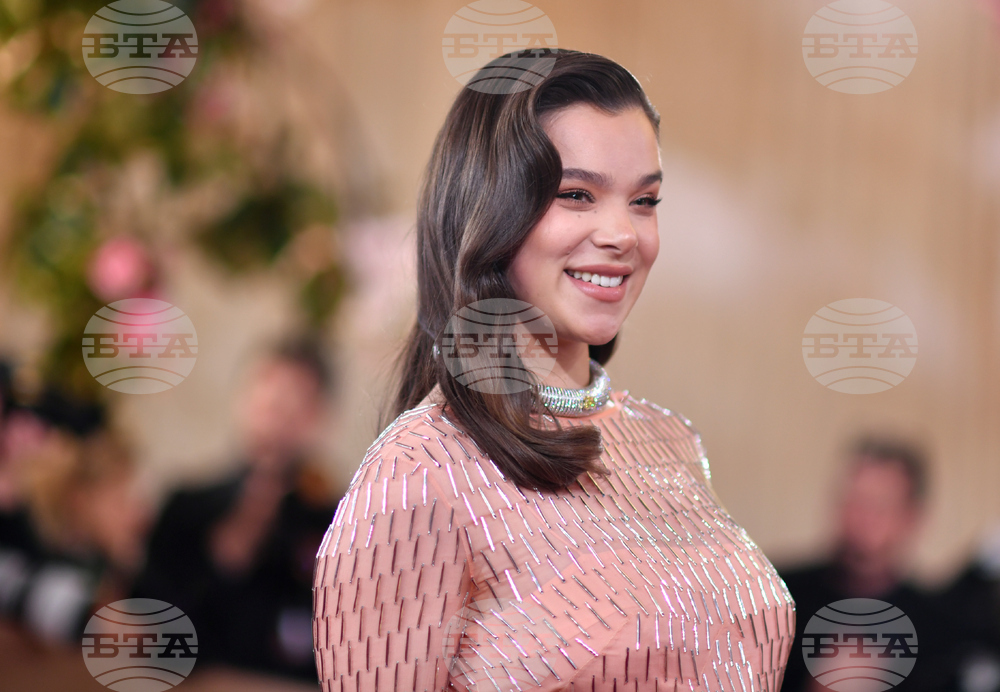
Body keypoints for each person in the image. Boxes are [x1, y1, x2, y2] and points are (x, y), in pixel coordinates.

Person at [312, 50, 795, 692]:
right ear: (488, 209)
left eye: (645, 201)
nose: (623, 233)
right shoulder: (421, 472)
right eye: (576, 195)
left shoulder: (670, 442)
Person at [133, 336, 339, 682]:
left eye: (295, 402)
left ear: (316, 417)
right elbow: (148, 636)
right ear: (242, 399)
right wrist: (225, 555)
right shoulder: (187, 508)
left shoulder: (339, 525)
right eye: (268, 396)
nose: (277, 413)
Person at [778, 437, 952, 692]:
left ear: (912, 516)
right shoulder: (779, 598)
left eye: (879, 505)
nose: (862, 517)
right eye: (854, 500)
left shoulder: (940, 629)